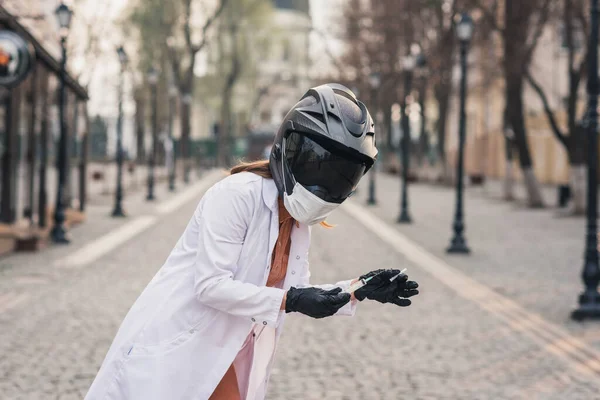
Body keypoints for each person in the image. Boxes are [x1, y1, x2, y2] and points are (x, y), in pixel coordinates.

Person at [84, 83, 419, 400]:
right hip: (181, 346)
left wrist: (359, 289)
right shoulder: (237, 194)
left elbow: (299, 293)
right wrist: (294, 299)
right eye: (320, 164)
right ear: (289, 148)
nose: (327, 184)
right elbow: (211, 285)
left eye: (342, 174)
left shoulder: (298, 221)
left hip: (228, 352)